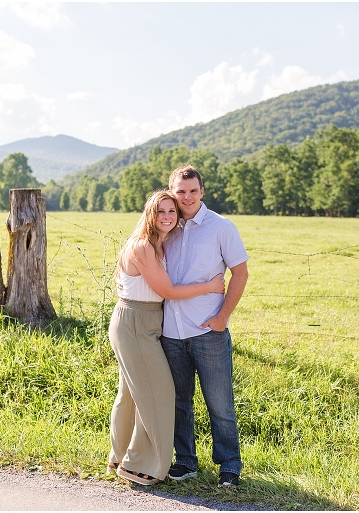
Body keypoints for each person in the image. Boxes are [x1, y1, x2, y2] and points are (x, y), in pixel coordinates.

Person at [107, 189, 225, 486]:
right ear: (151, 214)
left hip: (141, 322)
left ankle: (119, 456)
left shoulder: (160, 243)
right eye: (162, 211)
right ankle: (139, 466)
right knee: (159, 394)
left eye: (172, 211)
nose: (168, 217)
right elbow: (169, 292)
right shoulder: (144, 246)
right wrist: (210, 287)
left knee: (131, 396)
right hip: (135, 324)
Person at [160, 165, 249, 487]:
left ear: (202, 192)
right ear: (172, 191)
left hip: (208, 332)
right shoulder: (165, 225)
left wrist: (222, 318)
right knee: (179, 403)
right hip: (171, 332)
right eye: (180, 191)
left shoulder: (220, 227)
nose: (187, 197)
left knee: (220, 403)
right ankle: (185, 462)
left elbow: (240, 273)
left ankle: (230, 465)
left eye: (193, 191)